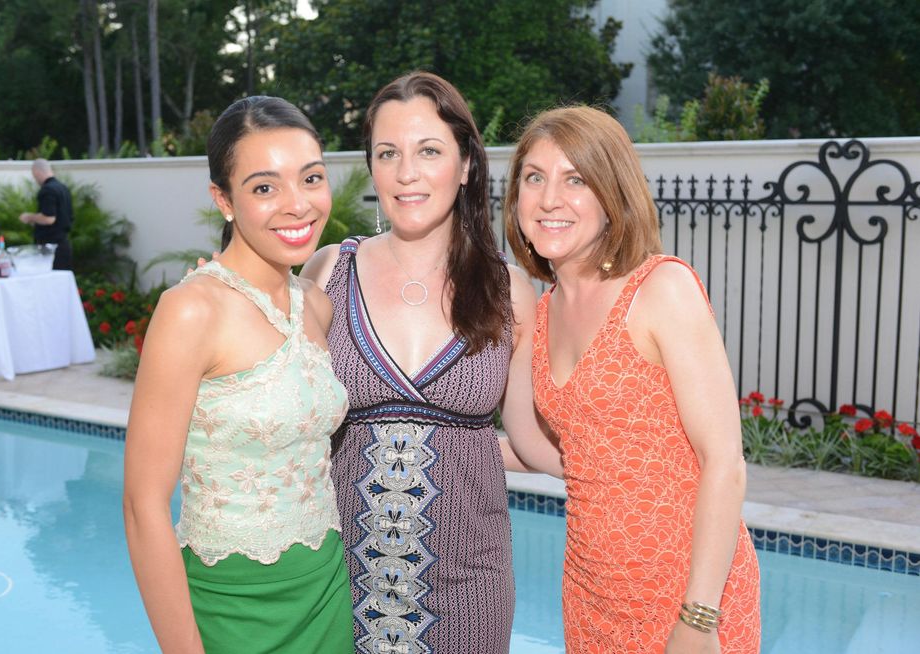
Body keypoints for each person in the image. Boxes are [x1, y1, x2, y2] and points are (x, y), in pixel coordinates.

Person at [300, 72, 561, 653]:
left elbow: (529, 439)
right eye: (387, 153)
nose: (407, 173)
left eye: (429, 151)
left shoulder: (510, 290)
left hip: (469, 588)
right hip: (340, 581)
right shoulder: (325, 274)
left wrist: (624, 466)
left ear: (466, 163)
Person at [503, 106, 761, 653]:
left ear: (611, 192)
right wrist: (447, 442)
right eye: (534, 177)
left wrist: (699, 616)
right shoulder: (544, 312)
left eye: (575, 179)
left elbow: (724, 461)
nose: (550, 199)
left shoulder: (660, 288)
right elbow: (573, 454)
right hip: (591, 592)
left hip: (686, 596)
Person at [123, 96, 354, 654]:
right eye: (264, 187)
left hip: (326, 592)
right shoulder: (192, 310)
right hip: (232, 607)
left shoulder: (316, 305)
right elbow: (142, 505)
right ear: (223, 200)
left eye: (311, 178)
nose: (297, 205)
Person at [19, 158, 73, 270]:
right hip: (63, 244)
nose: (36, 180)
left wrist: (29, 217)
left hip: (50, 248)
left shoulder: (47, 190)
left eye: (35, 176)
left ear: (37, 172)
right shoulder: (63, 188)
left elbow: (49, 218)